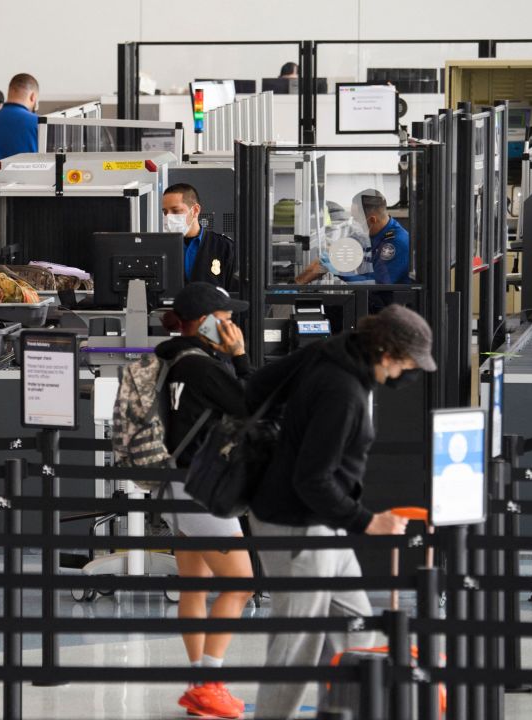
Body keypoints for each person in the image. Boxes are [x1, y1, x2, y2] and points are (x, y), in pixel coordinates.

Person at [245, 304, 436, 720]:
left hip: (318, 521)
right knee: (297, 647)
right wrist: (369, 521)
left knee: (355, 632)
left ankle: (343, 713)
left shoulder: (334, 350)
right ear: (386, 351)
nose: (409, 372)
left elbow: (258, 385)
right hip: (295, 523)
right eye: (408, 361)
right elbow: (311, 480)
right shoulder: (343, 392)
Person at [155, 283, 255, 719]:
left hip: (175, 483)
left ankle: (199, 685)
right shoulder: (204, 367)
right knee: (240, 582)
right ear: (204, 320)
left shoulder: (171, 357)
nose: (232, 324)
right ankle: (210, 681)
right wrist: (240, 357)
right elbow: (254, 406)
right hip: (201, 487)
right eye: (225, 316)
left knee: (194, 586)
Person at [295, 189, 412, 290]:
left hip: (387, 307)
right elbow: (330, 257)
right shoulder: (363, 235)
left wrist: (342, 272)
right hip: (366, 299)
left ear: (372, 220)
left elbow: (377, 285)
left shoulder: (397, 243)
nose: (355, 224)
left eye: (357, 219)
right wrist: (296, 285)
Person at [163, 183, 239, 292]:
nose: (168, 217)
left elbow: (237, 297)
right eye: (165, 212)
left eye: (176, 211)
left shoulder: (225, 248)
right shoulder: (162, 249)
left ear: (195, 211)